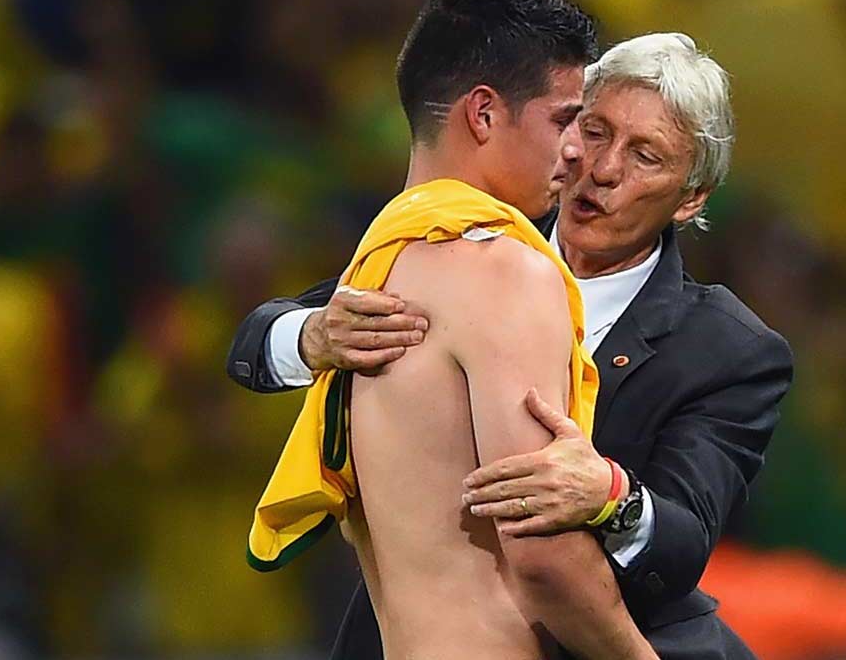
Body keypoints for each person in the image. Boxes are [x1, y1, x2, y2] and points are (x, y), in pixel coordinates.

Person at [228, 33, 794, 659]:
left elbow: (685, 541)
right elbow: (259, 338)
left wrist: (614, 497)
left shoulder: (728, 348)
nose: (603, 170)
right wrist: (310, 336)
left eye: (645, 157)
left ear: (690, 199)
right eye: (595, 130)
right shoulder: (467, 246)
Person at [242, 0, 656, 660]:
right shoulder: (504, 273)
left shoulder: (378, 273)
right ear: (485, 114)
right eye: (565, 120)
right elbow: (540, 550)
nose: (580, 152)